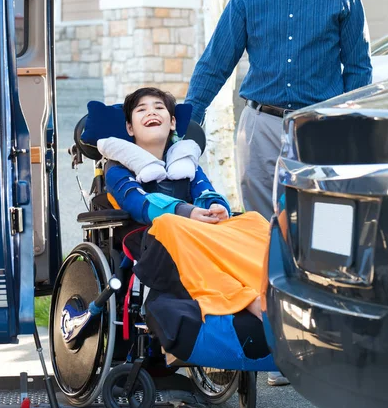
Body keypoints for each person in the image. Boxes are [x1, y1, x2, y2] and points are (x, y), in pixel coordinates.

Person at [185, 0, 373, 384]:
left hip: (318, 128)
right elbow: (216, 61)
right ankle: (276, 345)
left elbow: (359, 71)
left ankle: (329, 342)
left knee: (319, 231)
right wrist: (188, 118)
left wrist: (357, 135)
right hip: (262, 123)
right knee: (261, 231)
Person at [97, 86, 272, 366]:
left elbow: (205, 191)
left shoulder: (185, 162)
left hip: (194, 230)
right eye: (141, 109)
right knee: (170, 222)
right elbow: (137, 202)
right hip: (151, 238)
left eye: (159, 107)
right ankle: (249, 302)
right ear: (129, 127)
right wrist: (186, 212)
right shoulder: (118, 167)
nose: (151, 112)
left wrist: (216, 207)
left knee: (253, 221)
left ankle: (271, 292)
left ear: (173, 122)